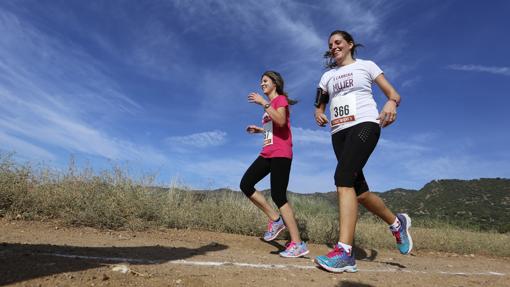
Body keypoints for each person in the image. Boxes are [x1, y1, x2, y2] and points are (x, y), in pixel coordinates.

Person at [313, 30, 412, 273]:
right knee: (359, 192)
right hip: (338, 133)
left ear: (350, 44)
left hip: (365, 124)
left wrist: (391, 103)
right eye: (330, 44)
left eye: (338, 42)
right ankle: (396, 223)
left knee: (342, 179)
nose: (334, 46)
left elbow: (393, 94)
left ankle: (345, 252)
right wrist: (319, 112)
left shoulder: (367, 66)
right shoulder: (327, 76)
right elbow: (320, 102)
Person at [240, 71, 309, 258]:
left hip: (281, 153)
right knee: (246, 184)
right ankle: (276, 219)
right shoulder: (270, 105)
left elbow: (280, 120)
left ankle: (297, 243)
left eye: (265, 81)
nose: (262, 84)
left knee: (279, 195)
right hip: (267, 152)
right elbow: (275, 128)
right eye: (261, 81)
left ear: (275, 84)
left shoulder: (280, 100)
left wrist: (263, 102)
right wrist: (260, 130)